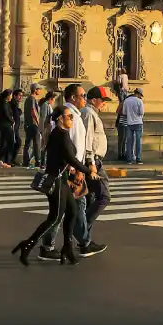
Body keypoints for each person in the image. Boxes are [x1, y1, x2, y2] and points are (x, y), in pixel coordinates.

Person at [14, 105, 87, 266]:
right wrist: (88, 171)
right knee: (54, 218)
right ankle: (28, 244)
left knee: (72, 211)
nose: (72, 120)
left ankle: (67, 247)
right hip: (56, 181)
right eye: (69, 117)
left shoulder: (60, 133)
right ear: (60, 118)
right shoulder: (60, 135)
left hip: (62, 179)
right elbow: (71, 158)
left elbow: (67, 158)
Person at [74, 87, 111, 257]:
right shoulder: (89, 113)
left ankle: (84, 239)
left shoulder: (91, 113)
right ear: (94, 99)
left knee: (90, 198)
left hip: (94, 160)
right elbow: (87, 139)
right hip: (93, 161)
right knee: (104, 196)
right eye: (103, 100)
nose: (104, 104)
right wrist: (91, 163)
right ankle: (81, 231)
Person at [0, 88, 22, 168]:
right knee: (10, 142)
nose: (11, 97)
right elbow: (6, 114)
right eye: (10, 95)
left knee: (6, 142)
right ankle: (2, 159)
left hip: (5, 124)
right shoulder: (4, 103)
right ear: (7, 96)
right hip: (5, 124)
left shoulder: (6, 103)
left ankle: (2, 160)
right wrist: (12, 121)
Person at [117, 87, 145, 163]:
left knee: (129, 141)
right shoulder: (139, 101)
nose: (140, 97)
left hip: (129, 123)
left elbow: (124, 112)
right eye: (140, 95)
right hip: (138, 123)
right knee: (138, 141)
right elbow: (142, 112)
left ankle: (129, 159)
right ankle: (138, 158)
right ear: (138, 94)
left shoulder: (126, 101)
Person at [22, 89, 47, 168]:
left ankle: (26, 161)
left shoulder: (28, 99)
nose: (40, 91)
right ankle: (37, 161)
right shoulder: (32, 99)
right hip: (33, 124)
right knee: (36, 143)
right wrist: (38, 122)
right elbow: (33, 111)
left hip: (28, 124)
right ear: (35, 90)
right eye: (39, 90)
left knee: (28, 143)